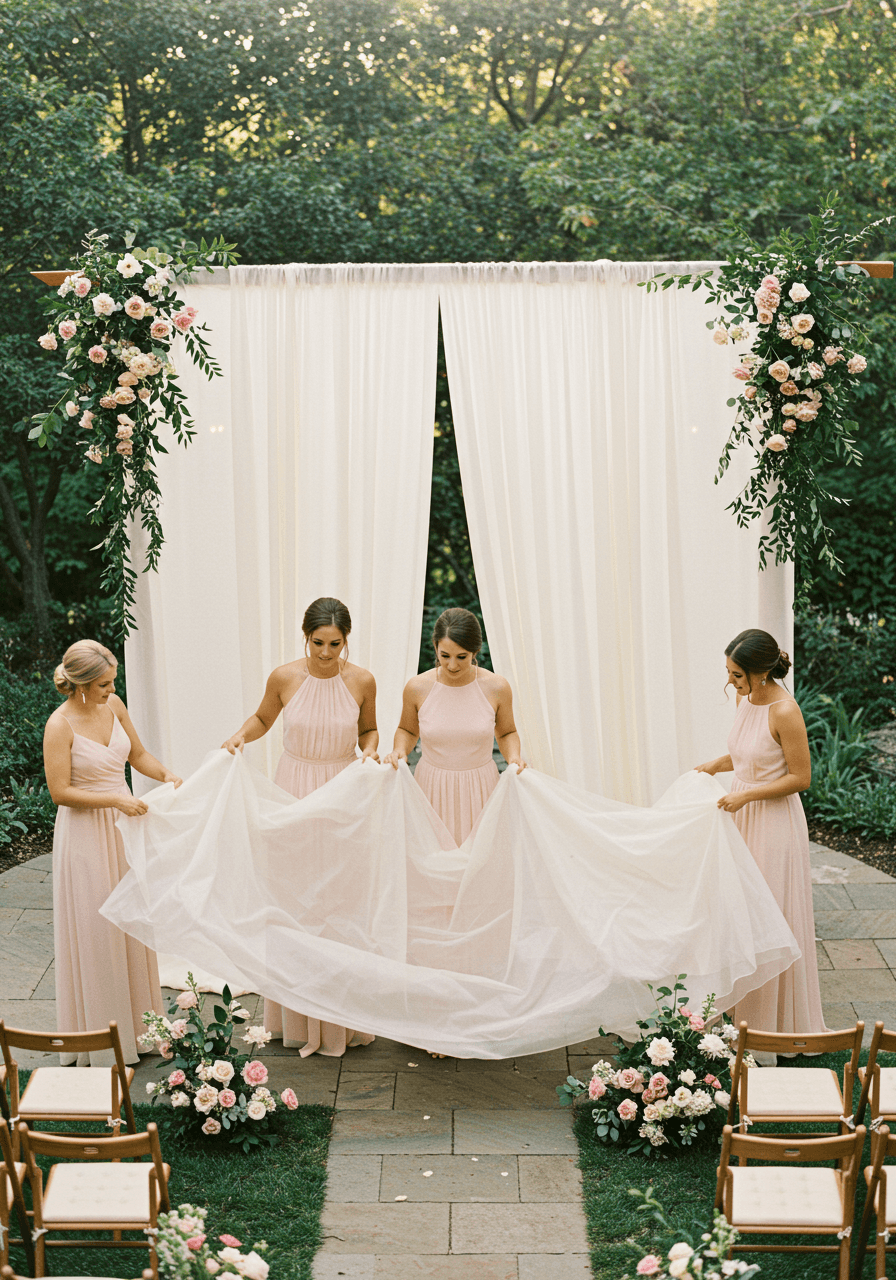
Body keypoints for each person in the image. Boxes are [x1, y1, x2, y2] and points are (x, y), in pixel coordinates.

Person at [222, 596, 377, 1056]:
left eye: (335, 643)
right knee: (294, 898)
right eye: (318, 643)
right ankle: (291, 1017)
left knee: (338, 899)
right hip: (293, 787)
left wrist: (367, 752)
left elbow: (369, 730)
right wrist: (239, 736)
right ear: (305, 637)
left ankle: (341, 1021)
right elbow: (263, 718)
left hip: (342, 790)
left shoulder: (363, 680)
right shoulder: (285, 677)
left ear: (346, 640)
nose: (326, 653)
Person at [43, 640, 182, 1065]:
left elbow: (136, 754)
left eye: (112, 681)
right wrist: (115, 801)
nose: (111, 689)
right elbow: (59, 792)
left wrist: (167, 775)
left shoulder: (115, 705)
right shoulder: (59, 724)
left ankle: (140, 1030)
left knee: (131, 922)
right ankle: (100, 1038)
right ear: (81, 685)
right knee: (98, 926)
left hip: (123, 829)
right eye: (103, 684)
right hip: (85, 833)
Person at [695, 628, 825, 1037]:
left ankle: (771, 1027)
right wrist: (719, 764)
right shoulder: (744, 699)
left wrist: (748, 798)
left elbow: (800, 777)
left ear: (761, 673)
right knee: (734, 912)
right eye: (729, 672)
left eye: (737, 674)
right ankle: (735, 1018)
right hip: (741, 813)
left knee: (766, 915)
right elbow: (749, 753)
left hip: (772, 821)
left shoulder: (785, 710)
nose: (730, 682)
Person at [386, 608, 527, 845]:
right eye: (445, 655)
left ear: (475, 652)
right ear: (435, 648)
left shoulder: (497, 687)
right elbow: (408, 730)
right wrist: (400, 750)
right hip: (431, 787)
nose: (452, 665)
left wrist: (513, 757)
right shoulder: (417, 687)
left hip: (481, 787)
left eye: (461, 657)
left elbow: (507, 732)